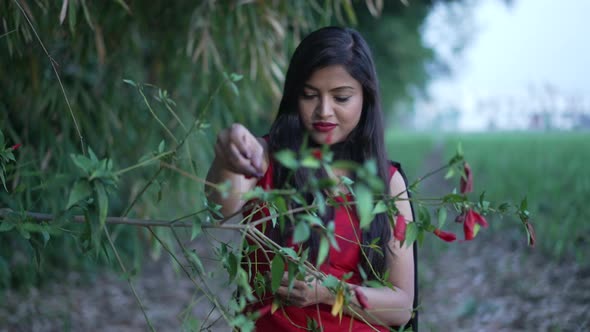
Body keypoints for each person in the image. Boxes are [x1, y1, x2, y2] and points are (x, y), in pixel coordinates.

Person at [206, 26, 415, 331]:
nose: (324, 111)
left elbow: (401, 307)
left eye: (341, 98)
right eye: (309, 95)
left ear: (365, 98)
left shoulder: (388, 181)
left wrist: (329, 292)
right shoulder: (265, 158)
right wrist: (229, 152)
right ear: (294, 95)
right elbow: (218, 208)